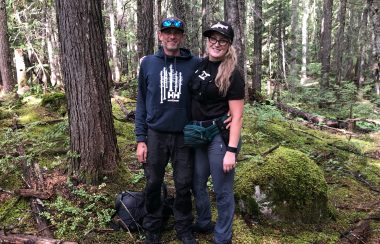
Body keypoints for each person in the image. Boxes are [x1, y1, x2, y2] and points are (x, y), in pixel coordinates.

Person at [135, 17, 200, 244]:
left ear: (182, 37)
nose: (172, 36)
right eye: (167, 32)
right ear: (160, 35)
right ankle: (152, 225)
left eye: (176, 33)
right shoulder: (148, 64)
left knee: (183, 183)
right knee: (153, 181)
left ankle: (184, 228)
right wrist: (140, 139)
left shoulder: (195, 64)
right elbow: (141, 102)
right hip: (155, 134)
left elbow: (207, 94)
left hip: (184, 135)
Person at [190, 21, 245, 244]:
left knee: (222, 190)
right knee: (197, 182)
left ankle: (223, 237)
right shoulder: (199, 65)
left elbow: (237, 116)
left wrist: (231, 150)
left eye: (222, 40)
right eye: (213, 39)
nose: (216, 43)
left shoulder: (233, 74)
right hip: (197, 134)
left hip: (219, 137)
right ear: (207, 41)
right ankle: (204, 222)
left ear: (229, 45)